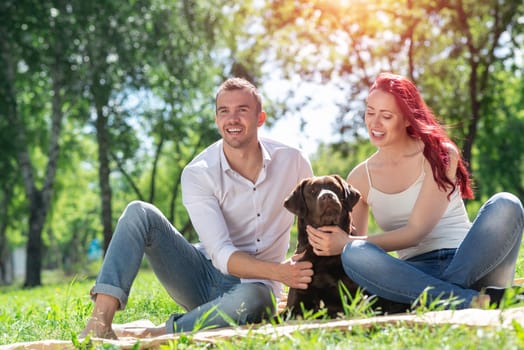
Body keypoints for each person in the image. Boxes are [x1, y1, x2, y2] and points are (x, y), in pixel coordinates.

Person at [80, 77, 314, 339]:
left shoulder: (294, 162)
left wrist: (296, 271)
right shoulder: (199, 173)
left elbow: (311, 226)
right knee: (139, 212)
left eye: (242, 110)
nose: (232, 119)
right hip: (201, 276)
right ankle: (100, 322)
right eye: (224, 111)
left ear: (260, 118)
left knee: (256, 296)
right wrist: (280, 273)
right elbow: (222, 253)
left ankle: (153, 333)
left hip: (257, 288)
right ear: (216, 119)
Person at [306, 72, 524, 310]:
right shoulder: (360, 177)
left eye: (386, 116)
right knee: (354, 254)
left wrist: (346, 241)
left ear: (408, 119)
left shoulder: (440, 154)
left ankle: (429, 298)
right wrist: (323, 249)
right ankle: (473, 299)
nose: (374, 124)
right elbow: (355, 243)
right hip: (412, 271)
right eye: (370, 112)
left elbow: (416, 232)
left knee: (506, 203)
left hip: (470, 262)